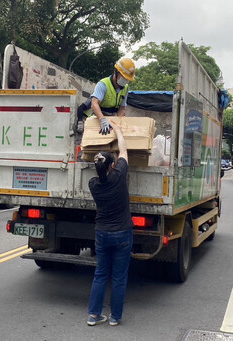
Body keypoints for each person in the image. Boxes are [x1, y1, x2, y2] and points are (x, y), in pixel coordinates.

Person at [87, 121, 133, 326]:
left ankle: (94, 315)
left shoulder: (93, 185)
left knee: (100, 274)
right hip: (122, 233)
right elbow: (123, 150)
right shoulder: (119, 176)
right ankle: (115, 318)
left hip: (102, 234)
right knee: (119, 278)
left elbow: (103, 168)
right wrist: (119, 131)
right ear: (112, 166)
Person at [76, 57, 136, 135]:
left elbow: (122, 109)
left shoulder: (126, 88)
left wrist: (119, 123)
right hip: (95, 119)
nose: (126, 81)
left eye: (127, 79)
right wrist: (102, 120)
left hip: (109, 119)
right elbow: (94, 104)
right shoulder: (103, 84)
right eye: (124, 77)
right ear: (117, 72)